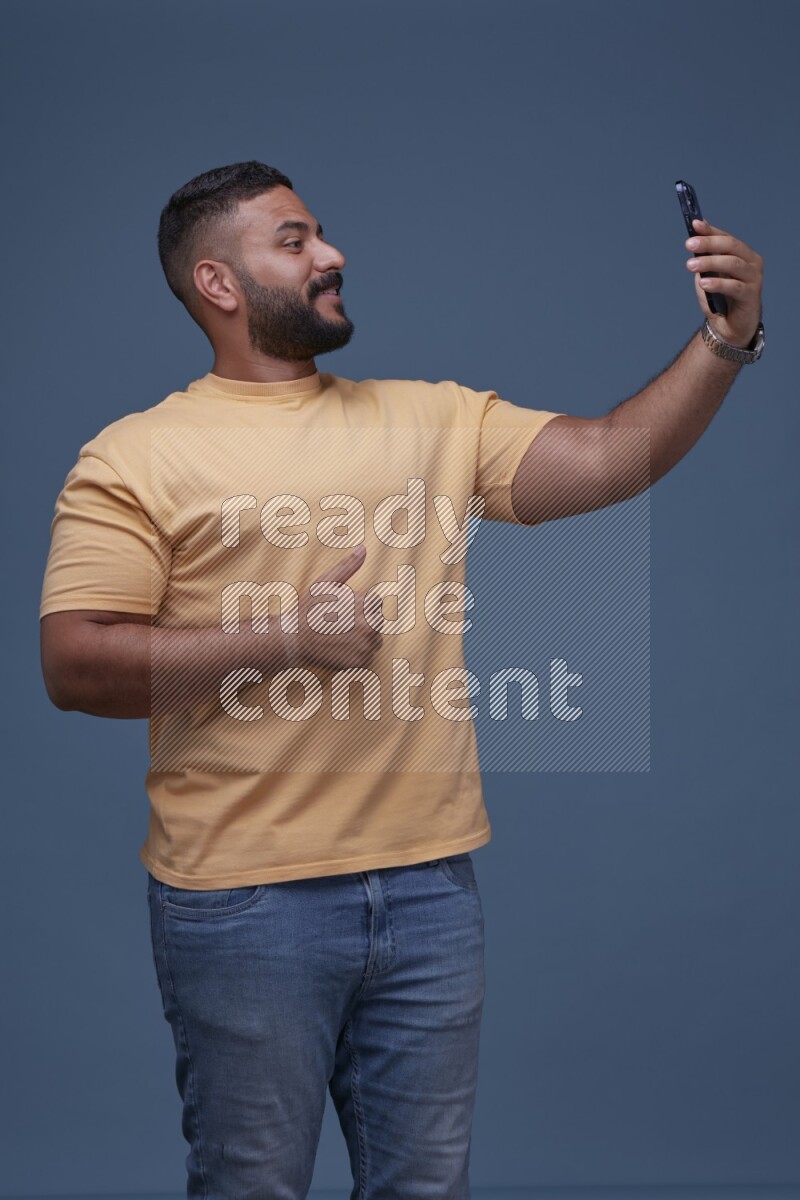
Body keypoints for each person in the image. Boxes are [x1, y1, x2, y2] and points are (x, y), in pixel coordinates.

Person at [39, 161, 764, 1199]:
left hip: (429, 891)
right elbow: (75, 662)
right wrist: (282, 639)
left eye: (320, 233)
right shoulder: (133, 457)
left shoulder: (432, 418)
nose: (330, 254)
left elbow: (612, 456)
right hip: (242, 902)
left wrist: (723, 342)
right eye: (293, 241)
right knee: (251, 1186)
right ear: (219, 284)